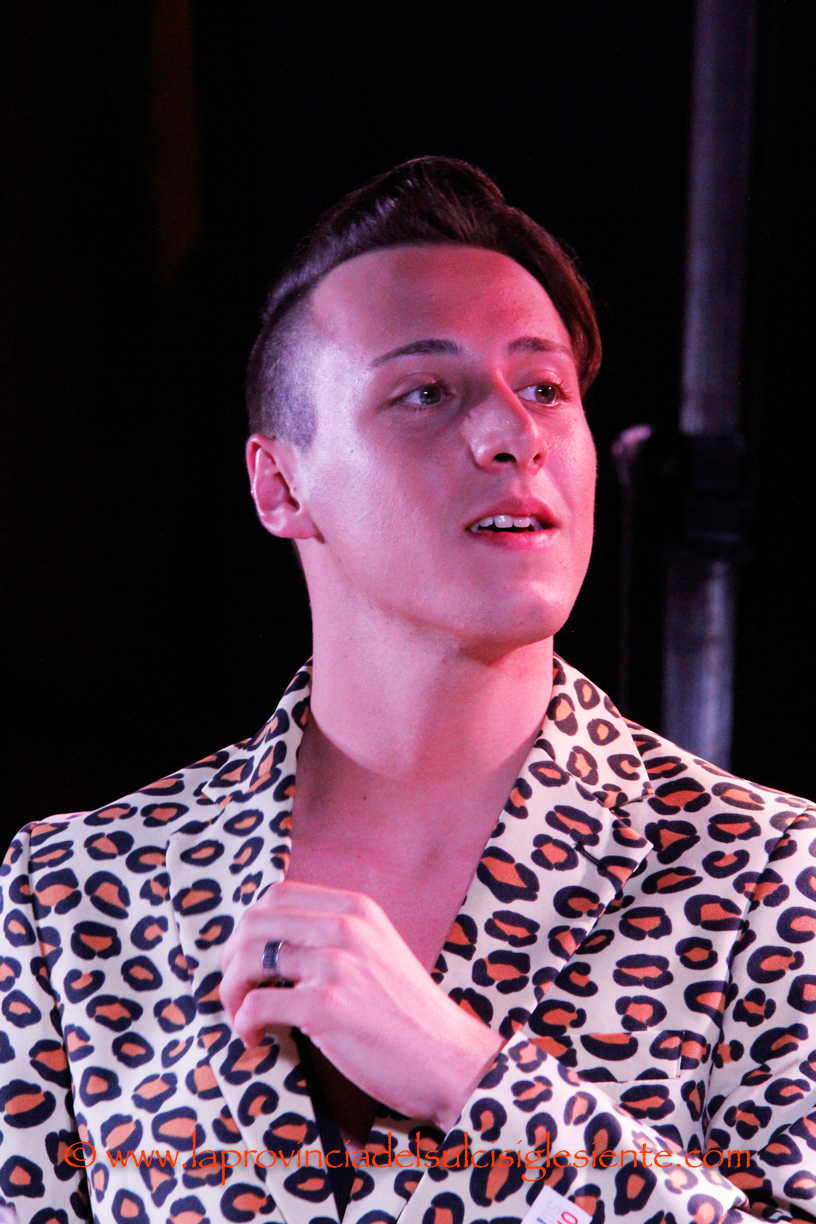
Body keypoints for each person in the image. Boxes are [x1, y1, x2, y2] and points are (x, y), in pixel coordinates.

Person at [0, 157, 814, 1224]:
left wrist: (471, 1078)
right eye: (427, 393)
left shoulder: (766, 874)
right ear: (280, 485)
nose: (513, 433)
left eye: (544, 389)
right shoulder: (81, 895)